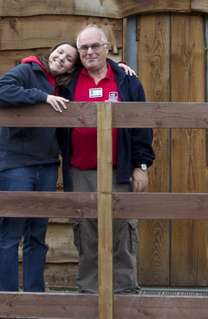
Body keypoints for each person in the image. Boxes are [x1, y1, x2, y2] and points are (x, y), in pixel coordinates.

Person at [0, 40, 136, 292]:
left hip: (46, 166)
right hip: (16, 165)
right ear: (50, 52)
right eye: (60, 53)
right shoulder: (28, 70)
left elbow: (98, 65)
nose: (62, 59)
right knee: (10, 234)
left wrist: (118, 66)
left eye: (69, 58)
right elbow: (0, 92)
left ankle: (34, 296)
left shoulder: (62, 84)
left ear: (71, 68)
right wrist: (42, 97)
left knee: (37, 235)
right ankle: (5, 300)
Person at [58, 24, 155, 294]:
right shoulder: (68, 82)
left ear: (107, 48)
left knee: (122, 234)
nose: (90, 52)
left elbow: (143, 126)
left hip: (120, 171)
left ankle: (125, 295)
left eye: (95, 46)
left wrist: (141, 166)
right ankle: (90, 295)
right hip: (80, 170)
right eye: (84, 48)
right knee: (86, 235)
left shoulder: (126, 80)